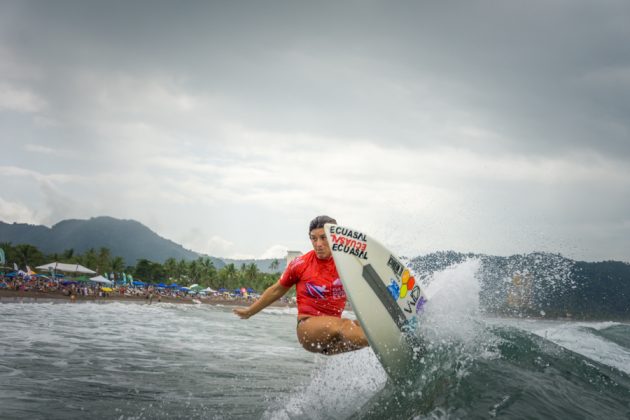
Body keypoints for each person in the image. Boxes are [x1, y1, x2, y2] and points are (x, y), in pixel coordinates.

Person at [233, 215, 369, 355]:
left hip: (333, 339)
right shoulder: (301, 264)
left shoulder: (347, 264)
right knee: (349, 326)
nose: (318, 244)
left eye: (324, 237)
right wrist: (250, 312)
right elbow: (276, 290)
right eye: (313, 238)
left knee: (364, 329)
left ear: (335, 237)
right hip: (309, 329)